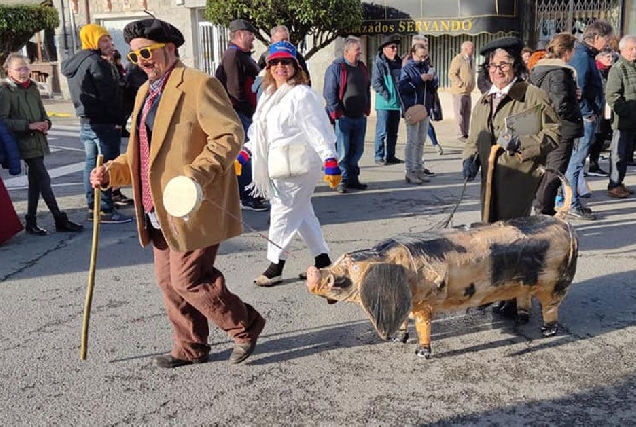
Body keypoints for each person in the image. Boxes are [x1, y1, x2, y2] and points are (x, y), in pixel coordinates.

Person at [89, 18, 265, 368]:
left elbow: (229, 135)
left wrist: (195, 175)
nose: (142, 61)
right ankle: (190, 347)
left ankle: (245, 324)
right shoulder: (144, 92)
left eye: (148, 53)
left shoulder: (199, 85)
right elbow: (141, 155)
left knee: (188, 280)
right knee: (167, 282)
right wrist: (111, 173)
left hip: (192, 204)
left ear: (170, 49)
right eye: (136, 56)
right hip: (157, 209)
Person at [461, 37, 560, 318]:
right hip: (490, 180)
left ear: (515, 65)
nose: (497, 69)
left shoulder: (531, 96)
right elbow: (475, 136)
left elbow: (553, 134)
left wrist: (523, 144)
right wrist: (469, 157)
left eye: (503, 63)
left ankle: (517, 298)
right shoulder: (484, 99)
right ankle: (493, 291)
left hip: (518, 178)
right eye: (492, 64)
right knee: (489, 239)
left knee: (513, 240)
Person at [244, 41, 341, 286]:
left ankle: (275, 265)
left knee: (282, 213)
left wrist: (330, 159)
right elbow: (258, 129)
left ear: (295, 66)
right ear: (267, 67)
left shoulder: (302, 94)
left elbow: (319, 129)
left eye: (285, 61)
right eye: (274, 62)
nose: (280, 67)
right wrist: (246, 151)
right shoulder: (268, 95)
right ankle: (323, 261)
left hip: (298, 165)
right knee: (302, 213)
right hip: (276, 164)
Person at [0, 53, 83, 235]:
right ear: (9, 71)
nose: (23, 72)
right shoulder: (6, 91)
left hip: (38, 139)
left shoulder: (33, 87)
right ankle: (59, 218)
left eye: (25, 68)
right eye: (19, 69)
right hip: (21, 141)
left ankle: (31, 221)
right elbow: (3, 121)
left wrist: (46, 123)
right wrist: (28, 125)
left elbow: (42, 112)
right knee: (43, 178)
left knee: (35, 182)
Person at [61, 24, 132, 224]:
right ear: (92, 40)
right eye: (103, 40)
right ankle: (105, 209)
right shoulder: (96, 63)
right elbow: (109, 96)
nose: (109, 43)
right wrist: (118, 120)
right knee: (106, 167)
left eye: (109, 39)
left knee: (91, 165)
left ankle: (94, 206)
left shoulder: (77, 62)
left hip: (86, 121)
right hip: (104, 122)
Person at [216, 19, 268, 212]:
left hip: (247, 112)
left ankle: (253, 193)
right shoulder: (233, 55)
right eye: (249, 33)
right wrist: (250, 111)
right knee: (245, 154)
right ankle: (247, 197)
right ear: (239, 35)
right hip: (241, 113)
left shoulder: (242, 55)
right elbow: (235, 90)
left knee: (252, 154)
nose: (253, 37)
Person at [529, 32, 583, 215]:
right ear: (567, 52)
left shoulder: (540, 68)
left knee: (547, 173)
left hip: (544, 127)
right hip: (560, 130)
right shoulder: (559, 72)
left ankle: (543, 210)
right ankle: (544, 214)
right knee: (553, 174)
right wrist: (573, 106)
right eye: (573, 50)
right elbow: (560, 105)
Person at [564, 19, 614, 220]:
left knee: (575, 163)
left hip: (586, 116)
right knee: (576, 164)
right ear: (596, 38)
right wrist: (587, 113)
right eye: (607, 39)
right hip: (584, 118)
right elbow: (579, 90)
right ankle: (572, 204)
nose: (608, 43)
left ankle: (570, 200)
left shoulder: (587, 54)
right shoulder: (583, 57)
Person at [323, 36, 371, 193]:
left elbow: (366, 88)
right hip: (343, 118)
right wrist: (337, 113)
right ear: (347, 51)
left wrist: (367, 108)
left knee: (357, 150)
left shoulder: (362, 67)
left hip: (359, 116)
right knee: (343, 152)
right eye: (357, 50)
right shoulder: (336, 68)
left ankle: (353, 179)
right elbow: (329, 92)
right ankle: (342, 180)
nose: (360, 52)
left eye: (360, 50)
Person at [398, 39, 438, 185]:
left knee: (421, 141)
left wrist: (433, 79)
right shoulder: (407, 69)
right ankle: (410, 171)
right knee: (412, 141)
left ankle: (419, 168)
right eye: (420, 56)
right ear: (413, 53)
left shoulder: (426, 67)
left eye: (425, 56)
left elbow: (433, 89)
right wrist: (419, 79)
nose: (423, 59)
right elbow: (403, 88)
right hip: (413, 109)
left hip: (425, 108)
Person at [605, 34, 636, 198]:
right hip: (623, 120)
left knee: (626, 154)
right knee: (618, 153)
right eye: (632, 48)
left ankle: (620, 182)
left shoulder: (633, 67)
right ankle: (614, 184)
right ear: (623, 50)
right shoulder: (618, 69)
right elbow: (612, 96)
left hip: (632, 120)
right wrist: (628, 112)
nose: (635, 52)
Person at [371, 34, 403, 166]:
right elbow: (376, 83)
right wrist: (387, 95)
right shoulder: (379, 63)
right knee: (381, 131)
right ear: (384, 49)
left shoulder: (399, 62)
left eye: (396, 47)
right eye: (392, 47)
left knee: (393, 132)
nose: (395, 50)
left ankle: (390, 155)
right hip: (384, 103)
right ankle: (379, 156)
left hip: (396, 103)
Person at [586, 48, 614, 177]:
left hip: (608, 108)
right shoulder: (597, 70)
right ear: (599, 58)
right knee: (595, 137)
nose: (610, 59)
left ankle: (594, 163)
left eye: (611, 56)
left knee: (602, 135)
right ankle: (591, 165)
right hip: (598, 107)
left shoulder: (611, 70)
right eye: (607, 56)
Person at [448, 41, 475, 141]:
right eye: (472, 48)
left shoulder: (471, 59)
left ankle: (465, 132)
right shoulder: (458, 59)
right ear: (465, 49)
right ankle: (459, 134)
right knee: (459, 113)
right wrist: (460, 83)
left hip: (468, 91)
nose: (473, 50)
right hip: (459, 91)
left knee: (467, 113)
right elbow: (451, 74)